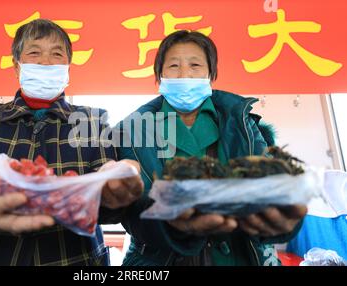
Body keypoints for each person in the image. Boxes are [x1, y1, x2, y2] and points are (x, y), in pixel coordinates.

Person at [0, 19, 143, 266]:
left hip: (76, 260)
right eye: (34, 53)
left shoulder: (94, 120)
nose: (46, 62)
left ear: (68, 68)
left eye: (56, 54)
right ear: (17, 67)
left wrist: (111, 191)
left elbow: (106, 198)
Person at [115, 30, 307, 266]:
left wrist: (280, 217)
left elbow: (270, 189)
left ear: (210, 74)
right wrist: (171, 225)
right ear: (160, 75)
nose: (184, 74)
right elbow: (131, 212)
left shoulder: (242, 123)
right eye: (174, 66)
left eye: (195, 65)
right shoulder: (133, 130)